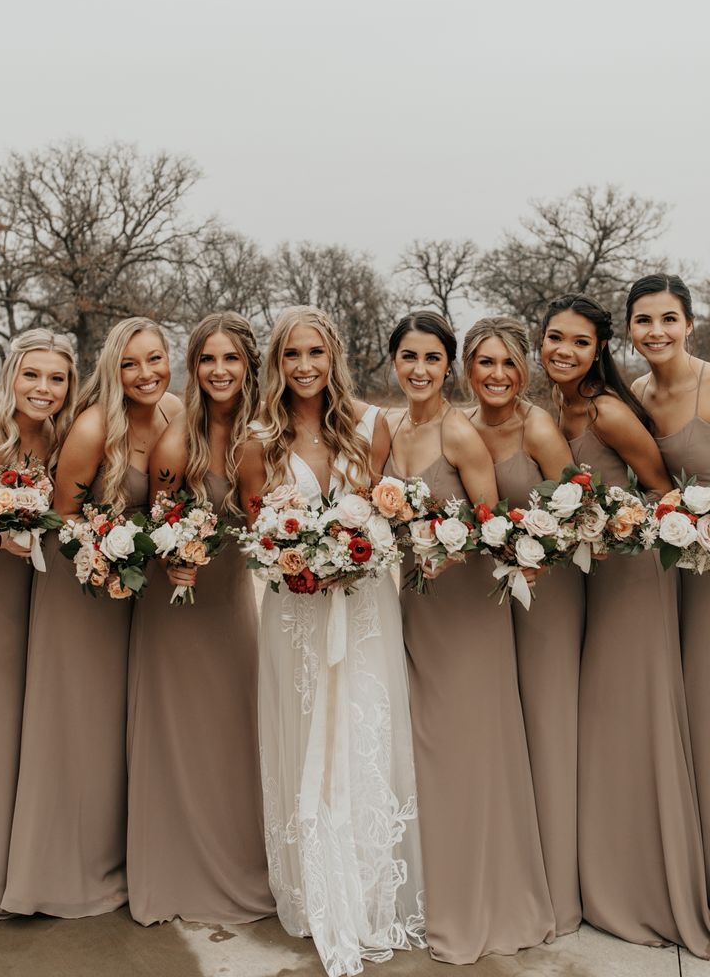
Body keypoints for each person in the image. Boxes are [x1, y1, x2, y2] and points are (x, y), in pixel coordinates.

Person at [237, 305, 425, 977]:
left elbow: (391, 513)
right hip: (296, 613)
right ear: (277, 364)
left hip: (365, 607)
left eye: (315, 352)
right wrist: (296, 555)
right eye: (292, 355)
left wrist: (359, 550)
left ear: (334, 356)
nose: (306, 366)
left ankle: (373, 886)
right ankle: (312, 887)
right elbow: (257, 535)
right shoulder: (258, 439)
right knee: (305, 734)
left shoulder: (372, 426)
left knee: (363, 735)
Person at [541, 293, 710, 956]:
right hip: (594, 582)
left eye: (579, 342)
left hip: (637, 579)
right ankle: (616, 873)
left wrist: (620, 524)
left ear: (598, 349)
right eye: (555, 338)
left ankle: (649, 888)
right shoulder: (568, 405)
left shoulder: (611, 410)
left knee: (637, 724)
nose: (564, 351)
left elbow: (660, 486)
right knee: (612, 730)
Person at [385, 310, 555, 964]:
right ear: (394, 363)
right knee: (427, 751)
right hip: (415, 605)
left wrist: (446, 549)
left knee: (471, 749)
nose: (421, 369)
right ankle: (432, 891)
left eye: (433, 358)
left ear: (447, 366)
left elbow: (496, 530)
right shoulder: (389, 428)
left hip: (466, 609)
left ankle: (487, 899)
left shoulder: (460, 435)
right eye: (410, 357)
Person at [3, 318, 181, 917]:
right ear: (112, 369)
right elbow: (61, 522)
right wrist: (103, 554)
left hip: (129, 595)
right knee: (73, 723)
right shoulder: (91, 427)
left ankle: (114, 857)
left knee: (113, 729)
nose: (145, 374)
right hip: (77, 591)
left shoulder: (173, 412)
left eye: (154, 359)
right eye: (130, 364)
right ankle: (57, 873)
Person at [127, 312, 274, 925]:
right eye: (207, 359)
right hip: (177, 613)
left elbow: (266, 521)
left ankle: (241, 860)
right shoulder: (174, 442)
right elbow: (159, 527)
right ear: (194, 366)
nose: (219, 371)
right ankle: (171, 868)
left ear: (249, 367)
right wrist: (172, 563)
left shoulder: (262, 437)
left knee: (232, 733)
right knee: (176, 735)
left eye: (231, 359)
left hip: (231, 606)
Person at [463, 315, 584, 936]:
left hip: (547, 594)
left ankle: (559, 894)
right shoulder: (462, 425)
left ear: (525, 369)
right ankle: (510, 870)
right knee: (504, 732)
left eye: (510, 363)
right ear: (468, 367)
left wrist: (539, 553)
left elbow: (576, 507)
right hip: (487, 598)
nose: (499, 375)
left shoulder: (538, 427)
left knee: (547, 725)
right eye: (487, 362)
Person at [0, 330, 76, 915]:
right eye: (32, 374)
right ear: (11, 373)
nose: (44, 388)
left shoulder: (58, 438)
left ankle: (18, 868)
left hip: (36, 601)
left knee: (18, 736)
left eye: (57, 378)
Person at [627, 273, 710, 893]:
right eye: (643, 320)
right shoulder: (633, 392)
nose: (655, 332)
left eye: (667, 319)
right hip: (662, 579)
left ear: (689, 324)